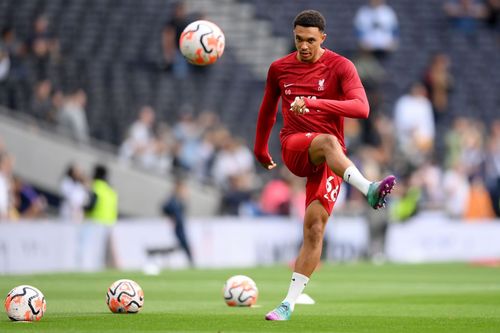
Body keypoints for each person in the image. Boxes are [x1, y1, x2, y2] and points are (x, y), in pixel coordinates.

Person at [253, 10, 396, 321]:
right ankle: (370, 190)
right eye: (299, 39)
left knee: (315, 229)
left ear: (323, 39)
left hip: (331, 158)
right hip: (295, 146)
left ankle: (287, 304)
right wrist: (261, 148)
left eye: (310, 40)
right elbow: (267, 111)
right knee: (329, 141)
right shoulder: (279, 69)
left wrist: (316, 102)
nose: (304, 46)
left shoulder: (341, 66)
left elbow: (362, 108)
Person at [161, 178, 193, 265]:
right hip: (178, 226)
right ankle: (191, 261)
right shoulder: (173, 200)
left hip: (180, 225)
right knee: (183, 244)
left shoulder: (178, 200)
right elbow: (165, 208)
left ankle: (191, 261)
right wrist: (172, 217)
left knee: (184, 244)